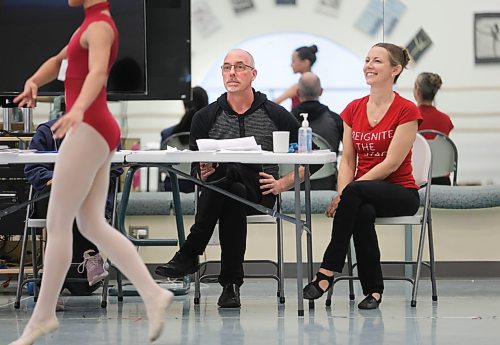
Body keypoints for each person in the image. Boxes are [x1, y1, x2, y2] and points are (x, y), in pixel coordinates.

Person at [10, 1, 172, 344]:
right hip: (94, 127)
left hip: (89, 126)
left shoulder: (100, 26)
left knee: (58, 224)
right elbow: (59, 62)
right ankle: (153, 293)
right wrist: (33, 81)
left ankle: (42, 316)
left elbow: (99, 73)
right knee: (91, 224)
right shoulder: (87, 25)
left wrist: (77, 110)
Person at [155, 49, 308, 308]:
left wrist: (283, 183)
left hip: (261, 192)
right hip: (225, 194)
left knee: (233, 177)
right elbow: (196, 168)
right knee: (231, 188)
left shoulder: (276, 114)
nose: (232, 73)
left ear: (253, 74)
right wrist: (200, 172)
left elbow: (310, 159)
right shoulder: (205, 117)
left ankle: (190, 252)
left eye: (239, 67)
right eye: (227, 68)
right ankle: (230, 286)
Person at [302, 43, 422, 310]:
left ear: (396, 69)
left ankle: (326, 272)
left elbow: (391, 164)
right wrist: (346, 193)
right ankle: (374, 291)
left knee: (355, 195)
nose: (369, 65)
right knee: (362, 212)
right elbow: (347, 160)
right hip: (361, 194)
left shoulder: (407, 110)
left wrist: (345, 193)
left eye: (377, 61)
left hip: (400, 193)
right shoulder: (353, 109)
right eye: (367, 59)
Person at [24, 118, 123, 292]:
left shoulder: (105, 131)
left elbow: (114, 167)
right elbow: (33, 167)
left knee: (83, 289)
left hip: (89, 199)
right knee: (65, 194)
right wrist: (56, 178)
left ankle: (51, 282)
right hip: (50, 198)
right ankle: (90, 255)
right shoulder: (47, 131)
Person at [292, 71, 343, 190]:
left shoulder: (284, 120)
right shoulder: (336, 120)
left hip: (292, 186)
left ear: (298, 92)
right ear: (321, 91)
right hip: (326, 184)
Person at [160, 86, 209, 193]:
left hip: (173, 184)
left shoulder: (167, 134)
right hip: (202, 185)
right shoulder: (211, 135)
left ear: (184, 105)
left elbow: (162, 166)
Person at [413, 72, 454, 185]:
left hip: (415, 180)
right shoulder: (446, 119)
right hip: (442, 181)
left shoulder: (409, 118)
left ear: (417, 91)